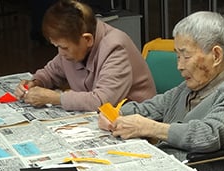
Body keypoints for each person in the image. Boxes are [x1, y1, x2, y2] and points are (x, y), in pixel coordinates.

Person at [98, 11, 224, 171]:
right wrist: (116, 114)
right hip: (167, 167)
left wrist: (149, 128)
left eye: (186, 56)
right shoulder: (189, 88)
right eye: (178, 56)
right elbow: (153, 106)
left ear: (216, 56)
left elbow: (208, 135)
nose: (179, 66)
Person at [19, 0, 155, 111]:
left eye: (64, 47)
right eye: (57, 46)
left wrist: (56, 98)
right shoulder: (73, 46)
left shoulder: (115, 47)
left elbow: (102, 101)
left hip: (134, 120)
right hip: (99, 118)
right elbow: (51, 72)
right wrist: (36, 82)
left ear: (87, 39)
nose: (61, 53)